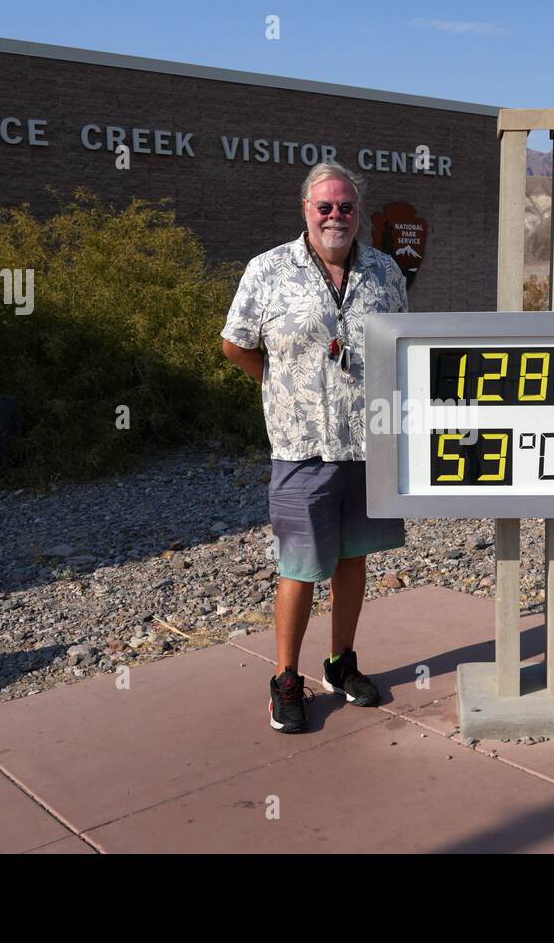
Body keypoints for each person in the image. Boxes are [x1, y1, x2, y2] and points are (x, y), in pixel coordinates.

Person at [221, 161, 408, 733]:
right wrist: (283, 389)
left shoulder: (384, 272)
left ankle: (341, 663)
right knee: (299, 565)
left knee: (353, 558)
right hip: (302, 446)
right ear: (306, 210)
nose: (336, 216)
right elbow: (236, 344)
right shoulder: (268, 270)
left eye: (346, 206)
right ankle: (284, 679)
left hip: (367, 443)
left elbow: (402, 347)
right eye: (325, 206)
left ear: (358, 214)